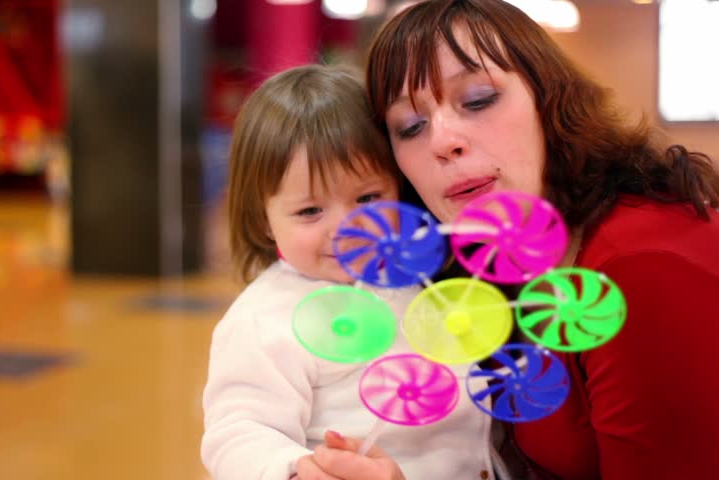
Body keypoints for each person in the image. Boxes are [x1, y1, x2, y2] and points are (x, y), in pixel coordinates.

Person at [296, 1, 719, 479]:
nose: (441, 140)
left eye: (477, 100)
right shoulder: (497, 264)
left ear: (549, 99)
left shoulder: (641, 264)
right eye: (410, 127)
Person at [201, 64, 494, 480]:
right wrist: (292, 470)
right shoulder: (265, 320)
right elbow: (238, 432)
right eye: (310, 211)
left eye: (368, 198)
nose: (346, 229)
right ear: (264, 219)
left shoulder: (425, 276)